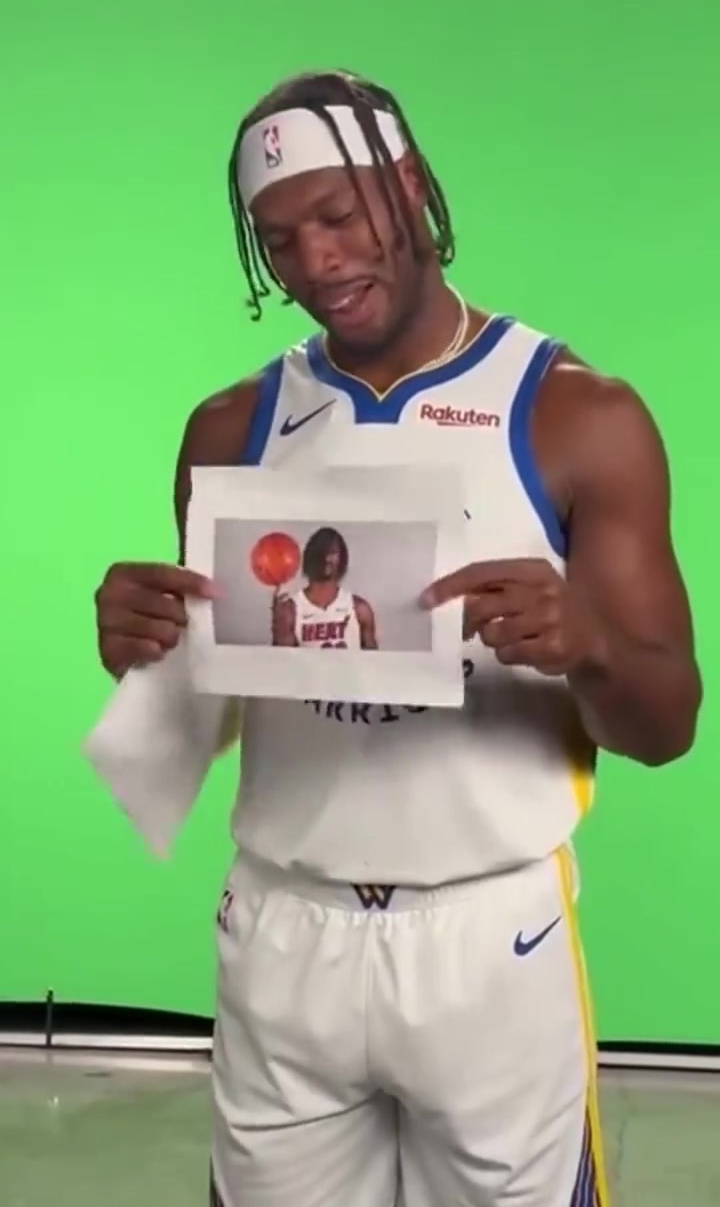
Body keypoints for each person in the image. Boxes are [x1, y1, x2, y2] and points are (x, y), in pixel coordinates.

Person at [94, 69, 702, 1207]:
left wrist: (590, 643)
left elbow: (669, 723)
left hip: (488, 935)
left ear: (411, 183)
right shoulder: (229, 428)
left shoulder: (577, 414)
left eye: (339, 215)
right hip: (284, 927)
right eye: (280, 239)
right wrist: (143, 648)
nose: (316, 261)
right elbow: (206, 706)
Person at [272, 525, 378, 649]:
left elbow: (374, 659)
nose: (327, 559)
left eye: (332, 553)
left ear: (342, 558)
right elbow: (283, 659)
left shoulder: (359, 609)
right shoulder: (290, 611)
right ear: (310, 558)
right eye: (321, 553)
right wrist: (277, 627)